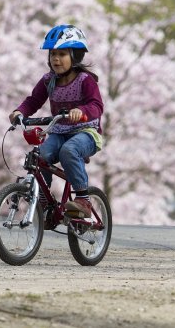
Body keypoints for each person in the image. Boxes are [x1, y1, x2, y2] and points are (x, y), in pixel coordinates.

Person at [8, 24, 104, 218]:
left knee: (70, 150)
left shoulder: (85, 80)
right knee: (39, 156)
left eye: (62, 54)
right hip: (59, 132)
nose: (56, 59)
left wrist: (81, 110)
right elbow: (33, 101)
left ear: (75, 57)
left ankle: (83, 199)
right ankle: (43, 201)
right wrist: (20, 111)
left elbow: (96, 105)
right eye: (53, 54)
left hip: (86, 133)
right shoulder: (48, 80)